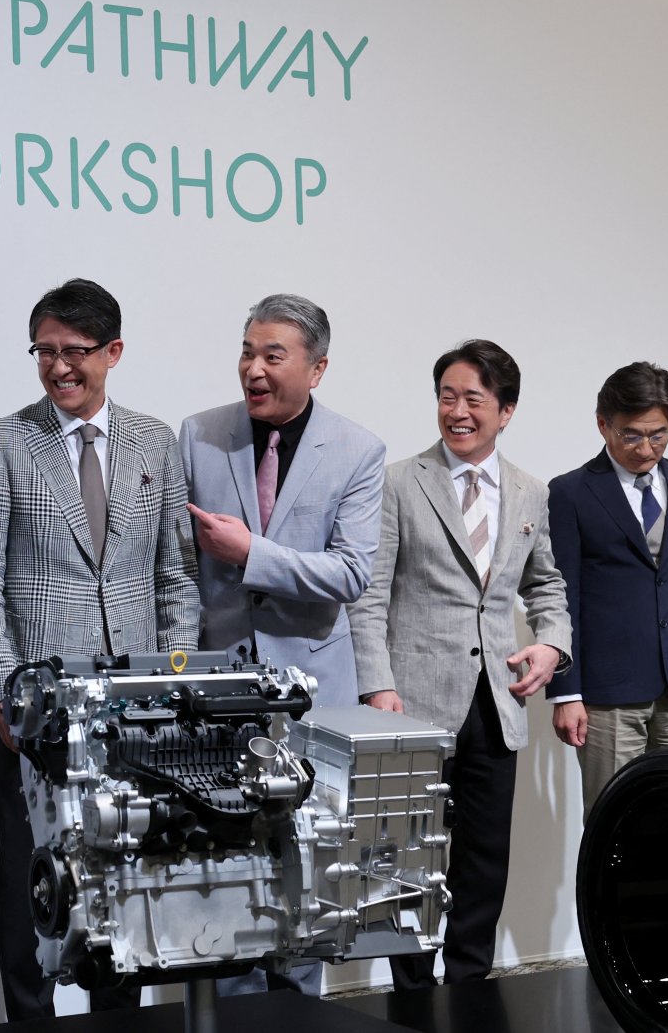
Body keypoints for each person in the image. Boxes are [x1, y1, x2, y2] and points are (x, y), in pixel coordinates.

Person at [0, 278, 199, 1020]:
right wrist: (2, 691)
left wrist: (177, 676)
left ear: (113, 353)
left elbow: (176, 574)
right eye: (45, 351)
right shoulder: (3, 442)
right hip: (36, 710)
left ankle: (119, 1015)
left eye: (75, 352)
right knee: (34, 872)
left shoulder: (154, 440)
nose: (59, 366)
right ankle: (30, 1017)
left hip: (136, 707)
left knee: (128, 866)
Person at [179, 293, 385, 996]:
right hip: (217, 692)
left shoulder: (358, 450)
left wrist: (251, 552)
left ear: (317, 367)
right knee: (223, 869)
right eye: (247, 351)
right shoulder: (199, 434)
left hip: (313, 697)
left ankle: (298, 1009)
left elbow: (352, 572)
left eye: (273, 354)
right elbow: (177, 568)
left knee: (306, 871)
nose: (254, 369)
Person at [349, 339, 572, 988]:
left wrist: (551, 645)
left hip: (496, 704)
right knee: (406, 859)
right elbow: (369, 593)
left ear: (506, 410)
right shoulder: (398, 480)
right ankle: (414, 992)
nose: (457, 410)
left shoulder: (530, 492)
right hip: (412, 702)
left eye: (473, 398)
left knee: (483, 859)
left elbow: (549, 590)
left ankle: (469, 984)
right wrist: (377, 685)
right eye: (447, 396)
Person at [547, 361, 668, 950]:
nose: (646, 447)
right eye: (632, 434)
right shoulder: (571, 493)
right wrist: (567, 690)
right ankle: (619, 965)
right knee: (615, 835)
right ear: (604, 426)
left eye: (659, 434)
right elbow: (561, 599)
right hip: (606, 696)